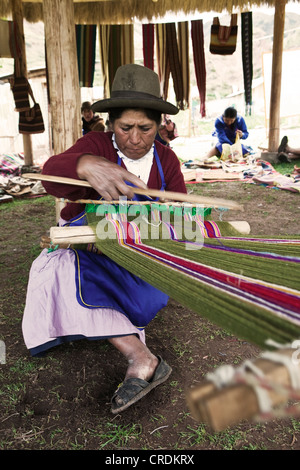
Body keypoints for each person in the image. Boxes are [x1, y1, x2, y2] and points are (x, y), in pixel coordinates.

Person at [22, 64, 186, 414]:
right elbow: (51, 177)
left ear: (160, 125)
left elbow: (180, 215)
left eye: (146, 128)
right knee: (57, 267)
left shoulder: (167, 161)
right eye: (126, 128)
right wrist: (84, 164)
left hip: (142, 252)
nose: (136, 138)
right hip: (86, 245)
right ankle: (141, 357)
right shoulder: (95, 144)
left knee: (142, 298)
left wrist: (146, 231)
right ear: (111, 124)